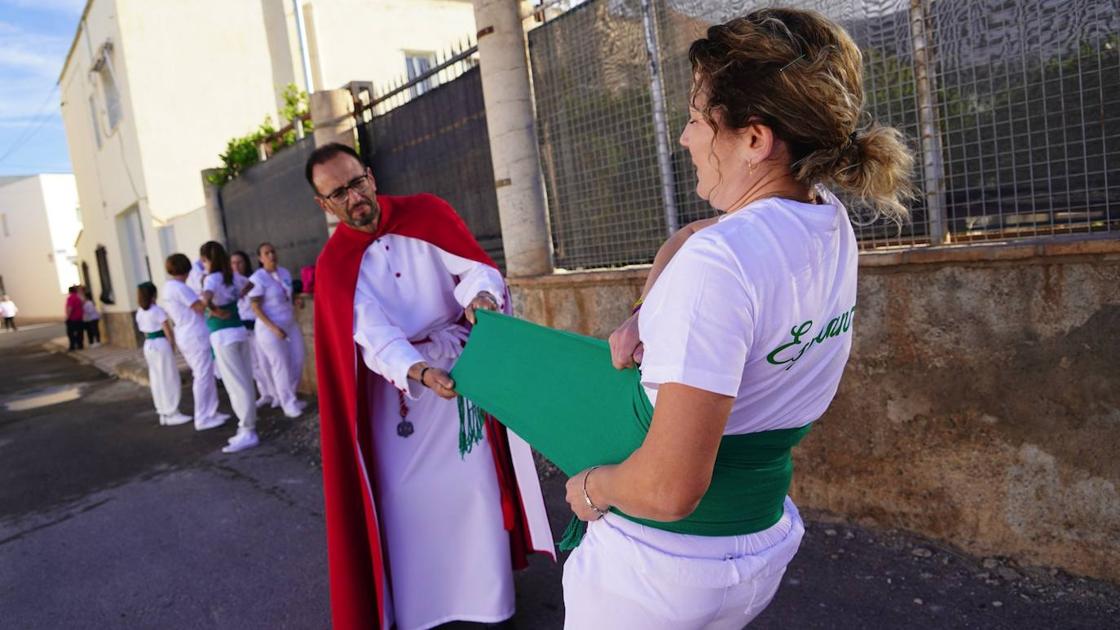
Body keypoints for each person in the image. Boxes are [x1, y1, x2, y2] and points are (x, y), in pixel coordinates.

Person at [556, 9, 915, 628]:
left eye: (698, 119)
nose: (684, 136)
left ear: (754, 139)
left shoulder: (720, 265)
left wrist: (591, 489)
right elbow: (697, 233)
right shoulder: (825, 216)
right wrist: (643, 312)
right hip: (757, 542)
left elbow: (671, 489)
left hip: (659, 568)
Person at [308, 142, 553, 630]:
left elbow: (474, 268)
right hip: (397, 395)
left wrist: (480, 297)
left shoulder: (427, 212)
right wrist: (418, 371)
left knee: (475, 487)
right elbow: (372, 335)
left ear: (371, 177)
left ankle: (490, 604)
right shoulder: (336, 265)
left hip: (462, 376)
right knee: (404, 498)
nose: (353, 197)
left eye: (356, 183)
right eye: (338, 193)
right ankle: (422, 610)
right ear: (325, 205)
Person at [199, 241, 259, 453]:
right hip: (239, 332)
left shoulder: (212, 279)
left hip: (224, 336)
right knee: (245, 381)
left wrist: (214, 309)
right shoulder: (232, 276)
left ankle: (247, 429)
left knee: (236, 385)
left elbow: (204, 299)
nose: (203, 264)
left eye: (204, 260)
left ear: (208, 260)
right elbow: (250, 284)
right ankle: (247, 426)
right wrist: (237, 297)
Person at [163, 254, 230, 432]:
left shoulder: (170, 287)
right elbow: (199, 307)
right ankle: (202, 417)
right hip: (194, 334)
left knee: (206, 373)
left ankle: (211, 411)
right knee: (202, 375)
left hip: (189, 333)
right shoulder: (179, 288)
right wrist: (212, 303)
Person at [247, 242, 305, 419]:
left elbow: (287, 294)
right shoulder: (257, 278)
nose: (271, 255)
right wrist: (273, 328)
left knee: (298, 359)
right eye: (267, 253)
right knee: (280, 366)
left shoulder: (284, 272)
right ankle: (287, 402)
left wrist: (295, 300)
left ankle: (291, 396)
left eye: (273, 251)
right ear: (260, 258)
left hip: (289, 323)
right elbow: (255, 307)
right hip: (269, 328)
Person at [134, 282, 192, 426]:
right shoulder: (157, 310)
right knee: (169, 377)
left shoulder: (139, 312)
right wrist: (172, 348)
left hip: (148, 345)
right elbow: (168, 332)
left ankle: (163, 412)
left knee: (157, 379)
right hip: (160, 344)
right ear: (153, 294)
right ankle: (173, 412)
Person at [231, 250, 277, 410]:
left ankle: (276, 393)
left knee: (265, 362)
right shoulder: (231, 284)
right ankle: (265, 393)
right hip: (242, 327)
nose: (236, 266)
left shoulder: (254, 280)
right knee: (254, 365)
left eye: (240, 262)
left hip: (258, 325)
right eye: (233, 263)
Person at [64, 286, 85, 351]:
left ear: (69, 291)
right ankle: (80, 345)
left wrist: (67, 317)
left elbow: (70, 308)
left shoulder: (71, 298)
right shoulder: (79, 297)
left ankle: (72, 346)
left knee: (71, 333)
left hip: (73, 318)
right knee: (80, 332)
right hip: (80, 317)